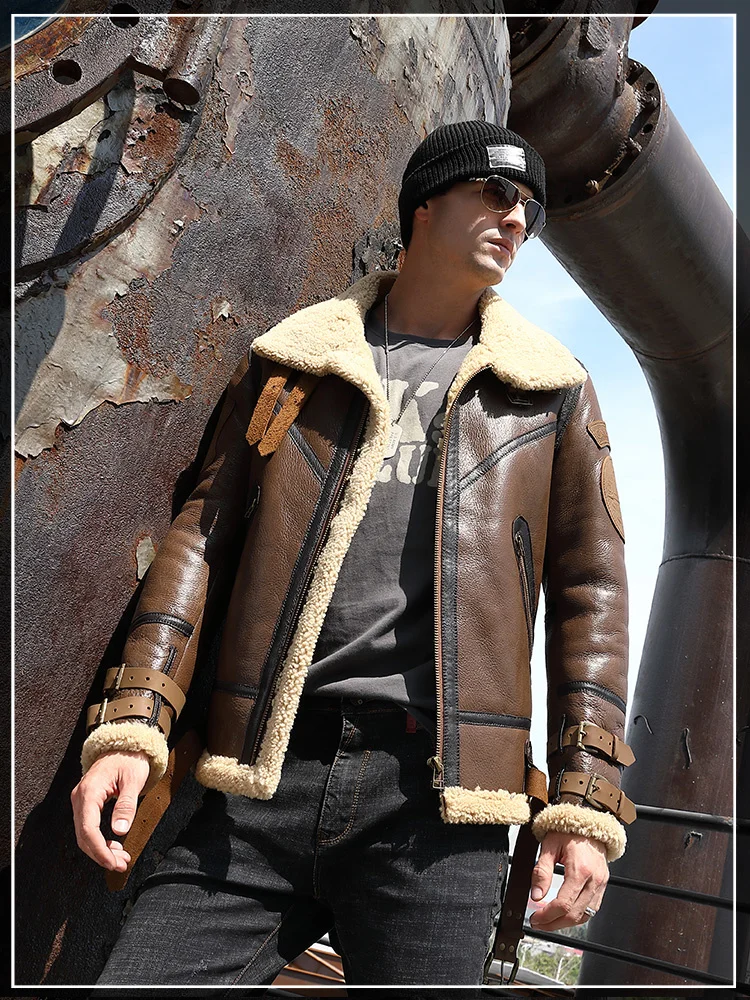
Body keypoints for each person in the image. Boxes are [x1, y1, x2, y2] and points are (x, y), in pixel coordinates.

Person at [71, 120, 635, 988]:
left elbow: (593, 598)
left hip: (438, 812)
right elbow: (200, 540)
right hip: (257, 781)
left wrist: (584, 800)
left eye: (531, 209)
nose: (517, 219)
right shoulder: (296, 362)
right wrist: (136, 721)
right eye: (496, 192)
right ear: (424, 205)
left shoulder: (551, 391)